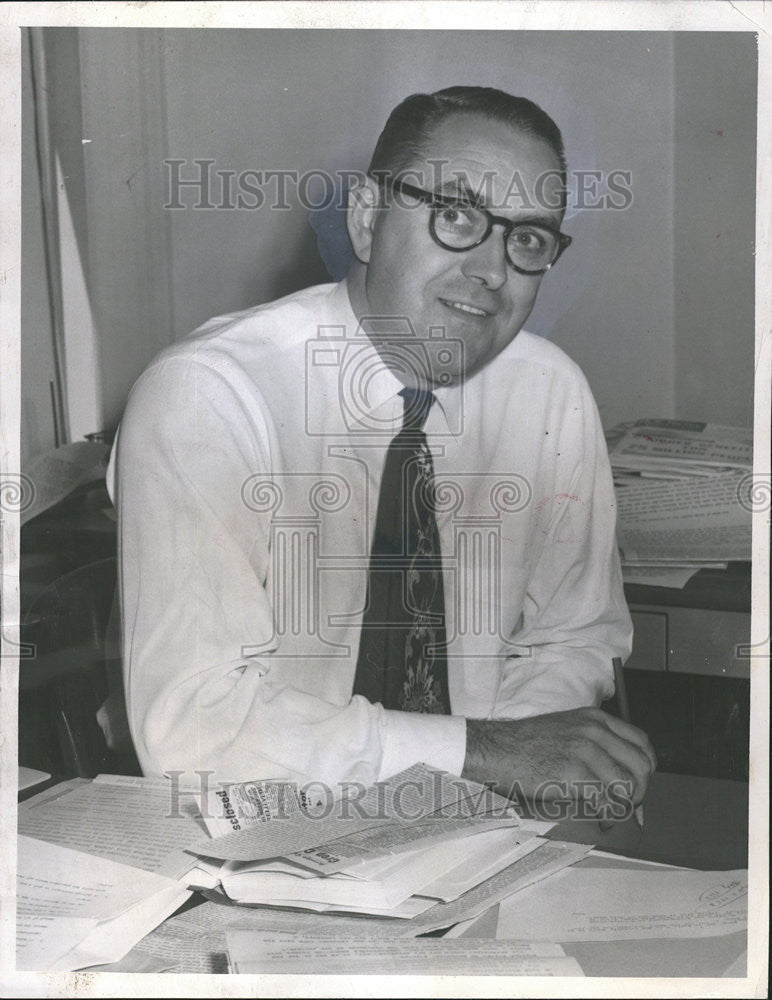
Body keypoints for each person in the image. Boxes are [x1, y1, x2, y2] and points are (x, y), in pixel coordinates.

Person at [109, 86, 655, 809]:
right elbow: (196, 731)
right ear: (367, 221)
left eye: (527, 239)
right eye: (457, 215)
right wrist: (480, 752)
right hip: (255, 830)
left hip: (478, 832)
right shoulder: (210, 396)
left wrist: (499, 767)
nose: (492, 271)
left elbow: (576, 634)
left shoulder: (548, 392)